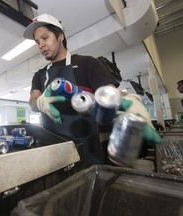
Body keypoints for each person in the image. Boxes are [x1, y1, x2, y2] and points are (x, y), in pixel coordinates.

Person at [23, 14, 161, 167]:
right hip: (54, 155)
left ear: (60, 36)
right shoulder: (40, 75)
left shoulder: (86, 64)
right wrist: (40, 102)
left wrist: (131, 99)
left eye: (45, 37)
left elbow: (109, 93)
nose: (41, 45)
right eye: (37, 41)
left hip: (87, 154)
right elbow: (32, 103)